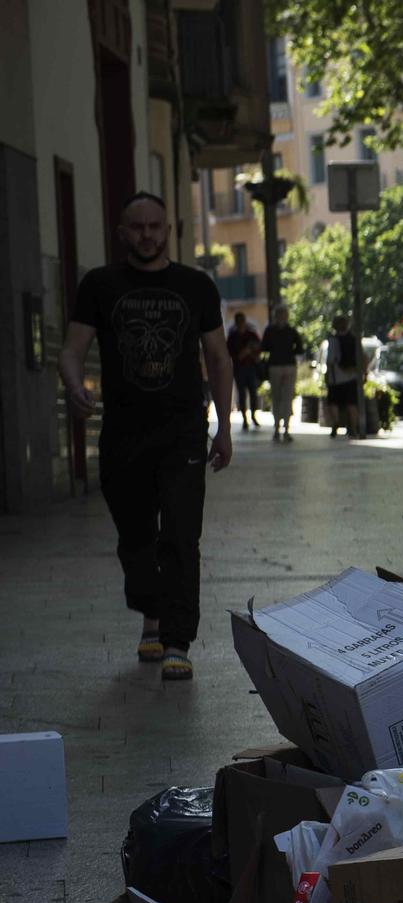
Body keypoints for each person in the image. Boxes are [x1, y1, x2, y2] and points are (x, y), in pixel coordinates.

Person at [58, 191, 232, 683]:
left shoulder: (196, 286)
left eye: (155, 226)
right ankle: (150, 613)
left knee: (180, 534)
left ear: (168, 230)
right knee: (135, 537)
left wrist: (223, 427)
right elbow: (71, 349)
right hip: (122, 431)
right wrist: (73, 384)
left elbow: (218, 359)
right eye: (138, 227)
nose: (147, 235)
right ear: (122, 232)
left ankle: (177, 639)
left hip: (182, 432)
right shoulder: (100, 284)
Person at [262, 304, 305, 440]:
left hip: (277, 365)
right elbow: (300, 349)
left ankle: (280, 429)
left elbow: (264, 347)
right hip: (286, 365)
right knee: (284, 398)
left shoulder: (271, 330)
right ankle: (283, 429)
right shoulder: (291, 331)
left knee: (279, 398)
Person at [323, 315, 362, 437]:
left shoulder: (333, 340)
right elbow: (362, 357)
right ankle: (353, 428)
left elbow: (330, 359)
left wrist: (327, 375)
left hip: (336, 377)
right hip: (352, 375)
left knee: (333, 402)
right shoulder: (354, 339)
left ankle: (336, 423)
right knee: (351, 403)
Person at [226, 312, 263, 430]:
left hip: (251, 368)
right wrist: (241, 354)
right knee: (241, 394)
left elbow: (259, 347)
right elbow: (229, 352)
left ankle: (253, 416)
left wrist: (252, 353)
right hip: (239, 368)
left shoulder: (251, 334)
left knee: (253, 393)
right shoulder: (233, 337)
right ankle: (245, 419)